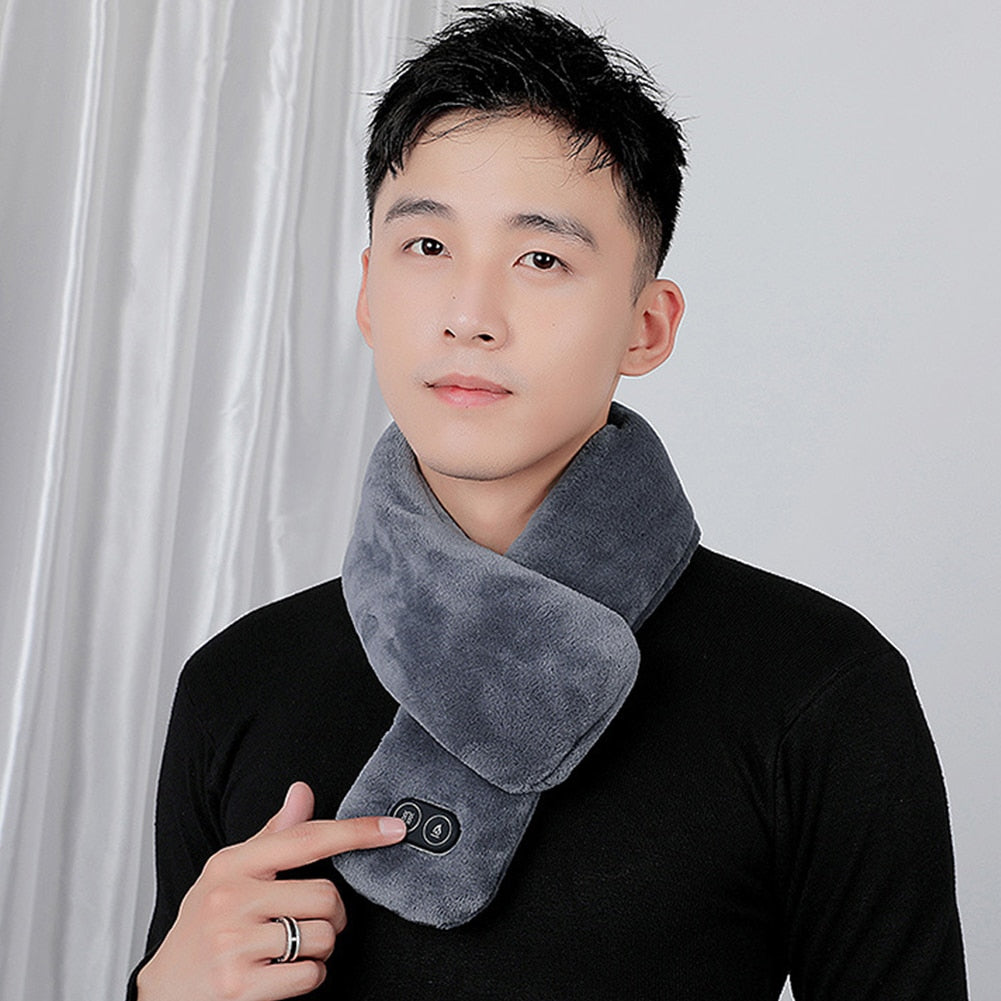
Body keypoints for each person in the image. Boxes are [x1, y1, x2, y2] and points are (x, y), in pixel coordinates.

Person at [129, 6, 967, 999]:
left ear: (645, 326)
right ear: (366, 292)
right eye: (426, 246)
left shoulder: (818, 690)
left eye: (540, 259)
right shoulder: (235, 681)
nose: (469, 315)